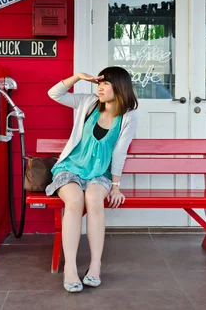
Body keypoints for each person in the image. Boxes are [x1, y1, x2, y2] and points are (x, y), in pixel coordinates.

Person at [45, 66, 139, 293]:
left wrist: (116, 186)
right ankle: (70, 267)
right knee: (75, 201)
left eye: (106, 84)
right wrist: (77, 77)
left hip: (100, 174)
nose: (100, 88)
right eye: (99, 83)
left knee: (95, 201)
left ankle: (95, 266)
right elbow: (54, 93)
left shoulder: (128, 115)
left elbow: (120, 151)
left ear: (120, 87)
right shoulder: (87, 103)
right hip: (70, 169)